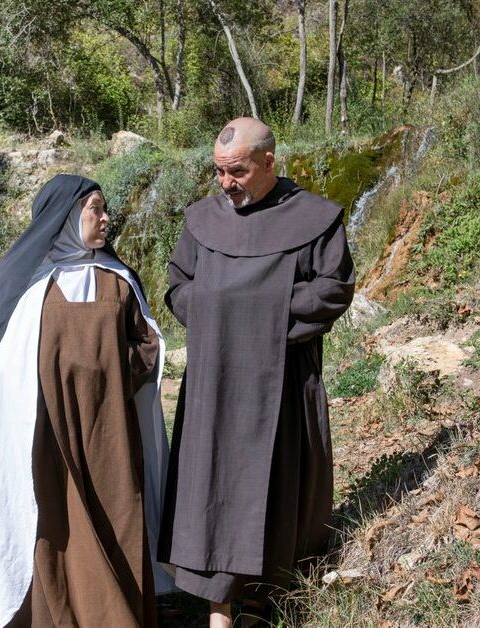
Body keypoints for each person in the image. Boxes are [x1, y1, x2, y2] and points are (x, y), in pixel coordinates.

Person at [0, 174, 173, 627]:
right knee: (50, 523)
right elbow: (2, 363)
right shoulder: (26, 285)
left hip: (109, 432)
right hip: (46, 435)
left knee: (118, 516)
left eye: (105, 209)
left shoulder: (119, 280)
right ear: (68, 216)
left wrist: (106, 370)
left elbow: (147, 345)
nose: (106, 219)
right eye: (96, 209)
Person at [158, 118, 355, 627]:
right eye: (219, 172)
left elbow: (332, 290)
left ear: (269, 162)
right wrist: (232, 314)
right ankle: (218, 607)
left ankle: (264, 600)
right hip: (215, 380)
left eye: (237, 171)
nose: (226, 183)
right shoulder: (203, 219)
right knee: (214, 486)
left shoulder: (314, 218)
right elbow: (180, 286)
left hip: (283, 379)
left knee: (274, 486)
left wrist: (252, 316)